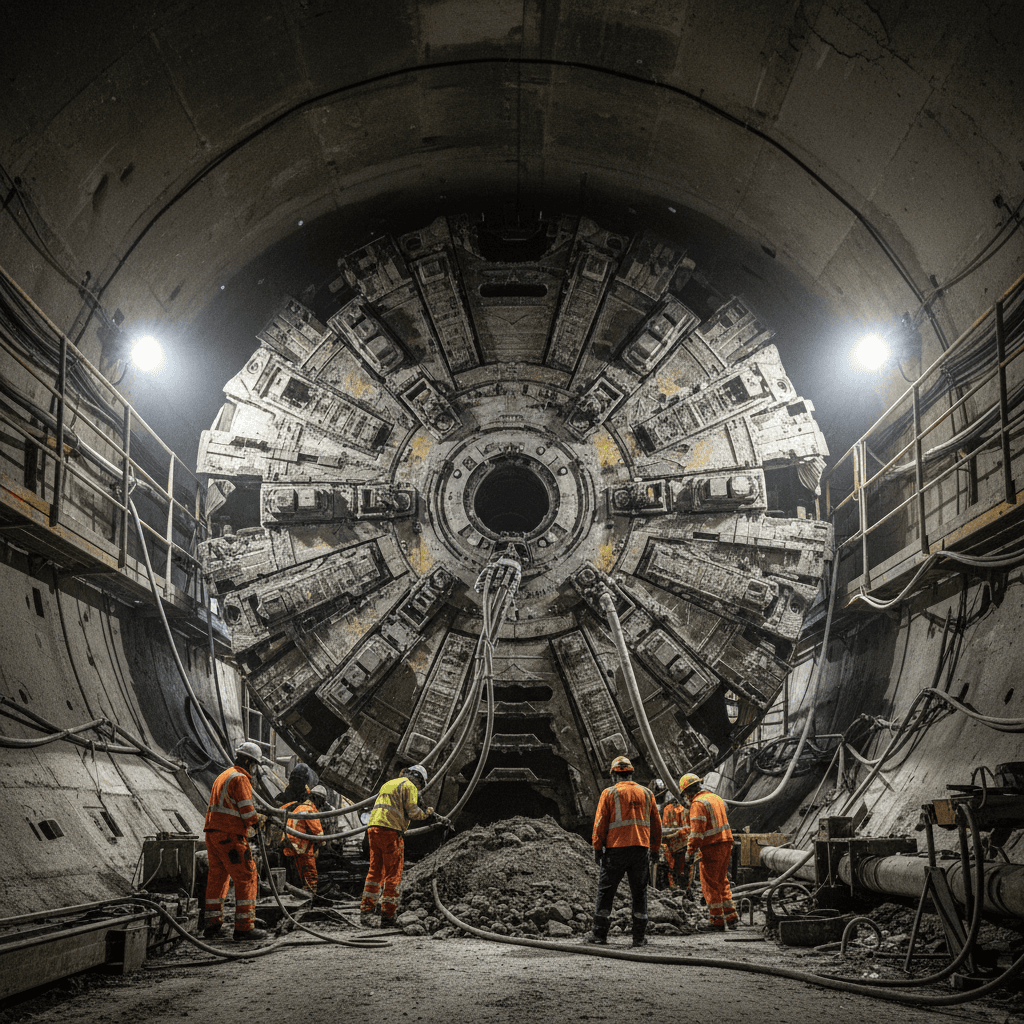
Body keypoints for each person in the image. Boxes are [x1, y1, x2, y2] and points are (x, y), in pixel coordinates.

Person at [584, 755, 662, 948]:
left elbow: (600, 823)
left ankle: (600, 934)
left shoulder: (609, 793)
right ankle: (638, 937)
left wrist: (597, 848)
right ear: (631, 774)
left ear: (613, 775)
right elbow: (657, 825)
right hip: (640, 850)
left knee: (606, 892)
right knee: (639, 893)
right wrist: (655, 849)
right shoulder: (647, 793)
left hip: (616, 850)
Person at [359, 764, 448, 927]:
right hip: (390, 831)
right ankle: (387, 915)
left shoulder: (389, 784)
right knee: (393, 874)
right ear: (419, 781)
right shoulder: (410, 787)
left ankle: (366, 911)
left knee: (375, 871)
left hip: (373, 829)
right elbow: (413, 812)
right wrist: (428, 814)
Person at [203, 741, 267, 941]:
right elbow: (248, 812)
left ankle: (212, 925)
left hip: (213, 834)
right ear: (248, 762)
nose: (255, 770)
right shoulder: (241, 779)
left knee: (218, 878)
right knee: (247, 876)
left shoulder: (223, 775)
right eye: (255, 764)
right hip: (229, 835)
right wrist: (260, 821)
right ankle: (244, 927)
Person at [680, 772, 738, 931]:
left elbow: (697, 833)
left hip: (712, 846)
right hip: (726, 842)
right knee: (721, 880)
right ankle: (731, 917)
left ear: (687, 792)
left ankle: (716, 921)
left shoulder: (698, 804)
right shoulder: (715, 798)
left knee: (710, 883)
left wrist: (690, 851)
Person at [283, 784, 327, 894]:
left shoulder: (300, 808)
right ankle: (310, 896)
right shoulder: (310, 811)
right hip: (301, 847)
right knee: (310, 875)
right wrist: (324, 845)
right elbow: (319, 835)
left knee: (301, 876)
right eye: (321, 801)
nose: (321, 805)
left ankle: (304, 893)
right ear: (316, 798)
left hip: (292, 845)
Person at [660, 789, 690, 890]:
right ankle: (674, 883)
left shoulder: (686, 809)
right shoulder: (667, 809)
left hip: (682, 842)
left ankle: (682, 884)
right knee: (670, 863)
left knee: (682, 864)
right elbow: (665, 827)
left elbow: (689, 827)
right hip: (672, 842)